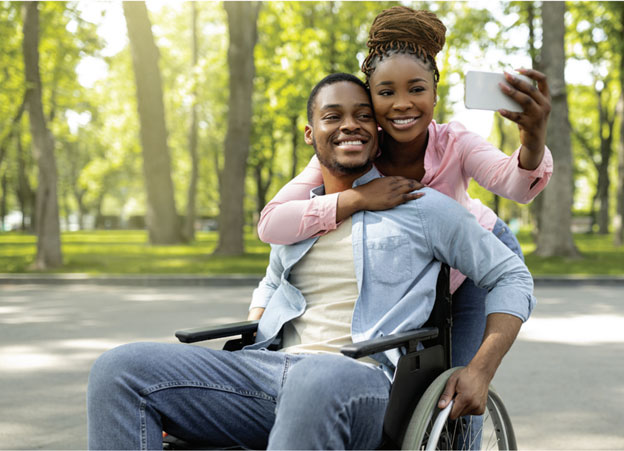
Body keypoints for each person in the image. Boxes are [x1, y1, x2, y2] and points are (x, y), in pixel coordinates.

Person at [87, 73, 535, 450]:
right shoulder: (300, 216)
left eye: (363, 116)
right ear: (310, 133)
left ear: (378, 131)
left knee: (316, 377)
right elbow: (271, 284)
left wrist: (480, 369)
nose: (350, 126)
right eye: (333, 116)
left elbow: (511, 275)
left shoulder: (421, 208)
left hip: (362, 381)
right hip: (270, 372)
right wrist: (252, 334)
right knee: (119, 370)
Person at [255, 6, 552, 373]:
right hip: (414, 269)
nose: (402, 104)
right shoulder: (355, 147)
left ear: (435, 95)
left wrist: (533, 140)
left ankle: (464, 425)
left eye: (416, 90)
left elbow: (516, 186)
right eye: (386, 92)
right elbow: (272, 224)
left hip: (472, 260)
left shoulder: (455, 143)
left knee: (456, 384)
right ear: (371, 101)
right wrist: (357, 198)